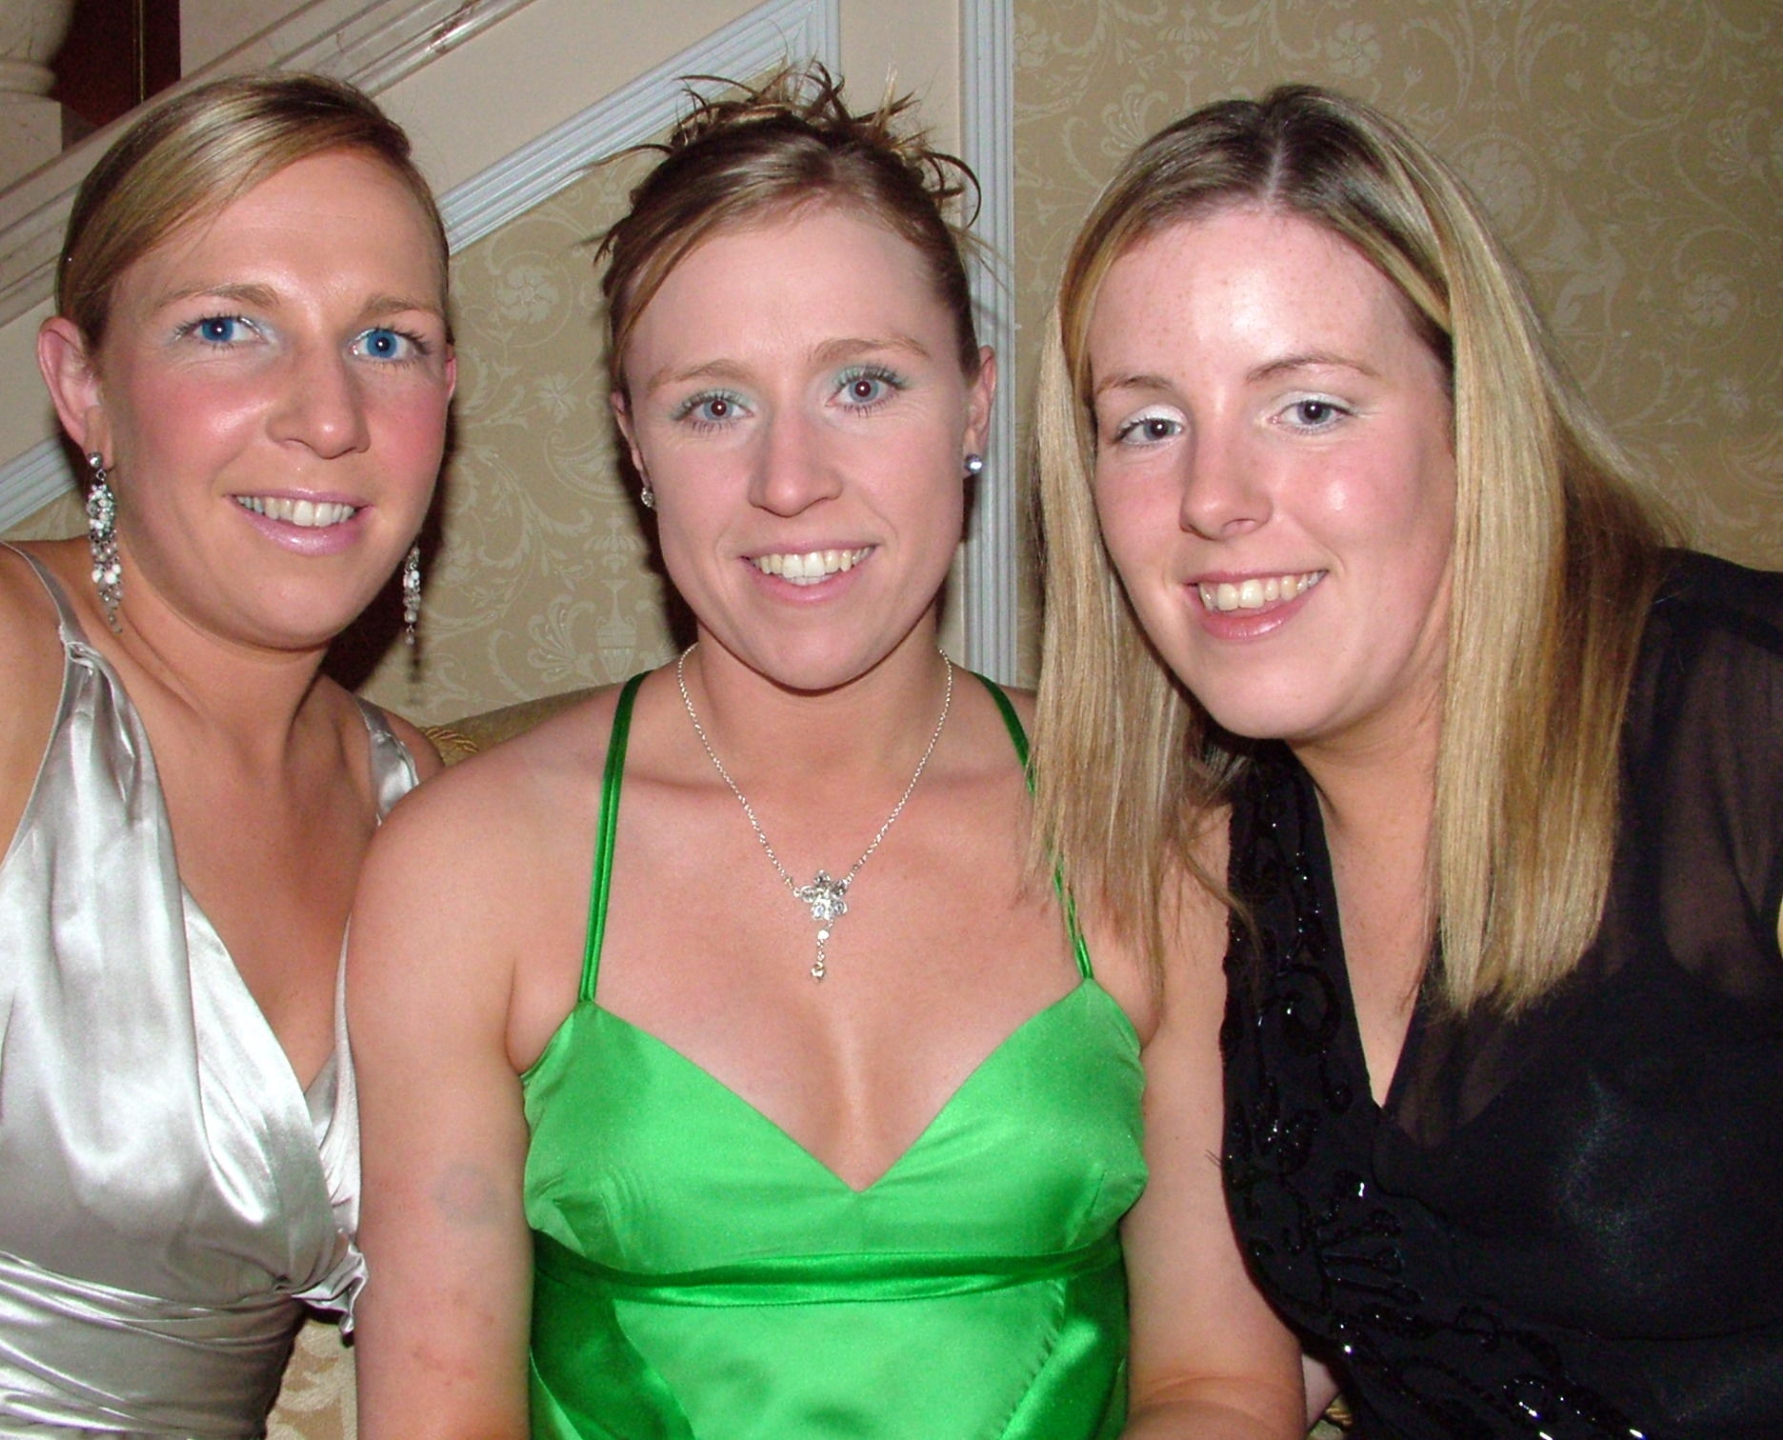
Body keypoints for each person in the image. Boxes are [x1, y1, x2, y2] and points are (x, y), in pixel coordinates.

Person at [348, 67, 1302, 1439]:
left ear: (974, 408)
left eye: (863, 384)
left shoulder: (1162, 834)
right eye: (713, 406)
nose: (790, 481)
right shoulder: (467, 865)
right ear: (632, 443)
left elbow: (1220, 1388)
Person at [1033, 81, 1782, 1440]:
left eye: (1310, 408)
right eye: (1150, 424)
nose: (1212, 499)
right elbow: (1220, 1388)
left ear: (1472, 415)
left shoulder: (1741, 730)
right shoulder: (1220, 868)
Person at [0, 73, 453, 1436]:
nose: (327, 417)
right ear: (84, 389)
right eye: (226, 327)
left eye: (388, 341)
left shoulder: (421, 809)